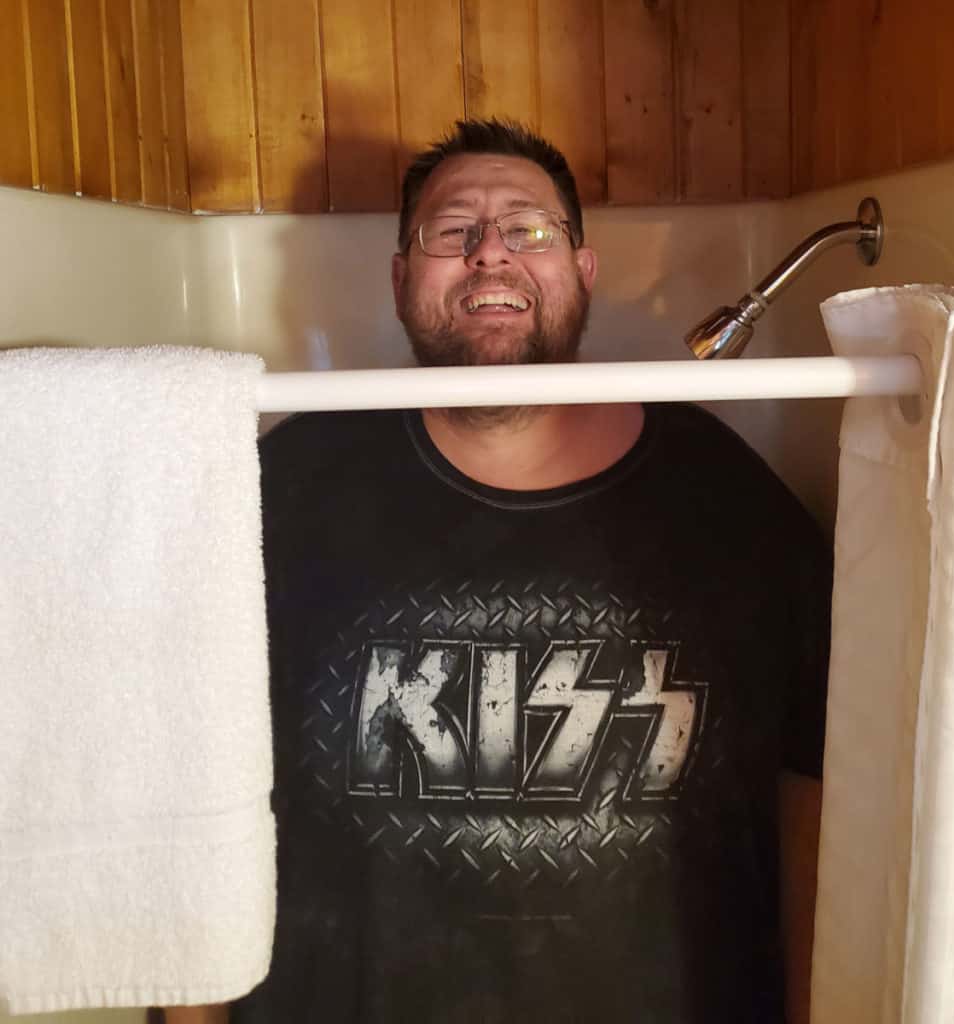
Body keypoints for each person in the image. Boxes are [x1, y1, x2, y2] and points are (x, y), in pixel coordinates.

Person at [167, 118, 829, 1024]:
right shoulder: (284, 485)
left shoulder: (726, 497)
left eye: (529, 228)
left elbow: (816, 780)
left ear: (583, 271)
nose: (490, 250)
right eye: (452, 231)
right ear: (401, 279)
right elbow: (186, 781)